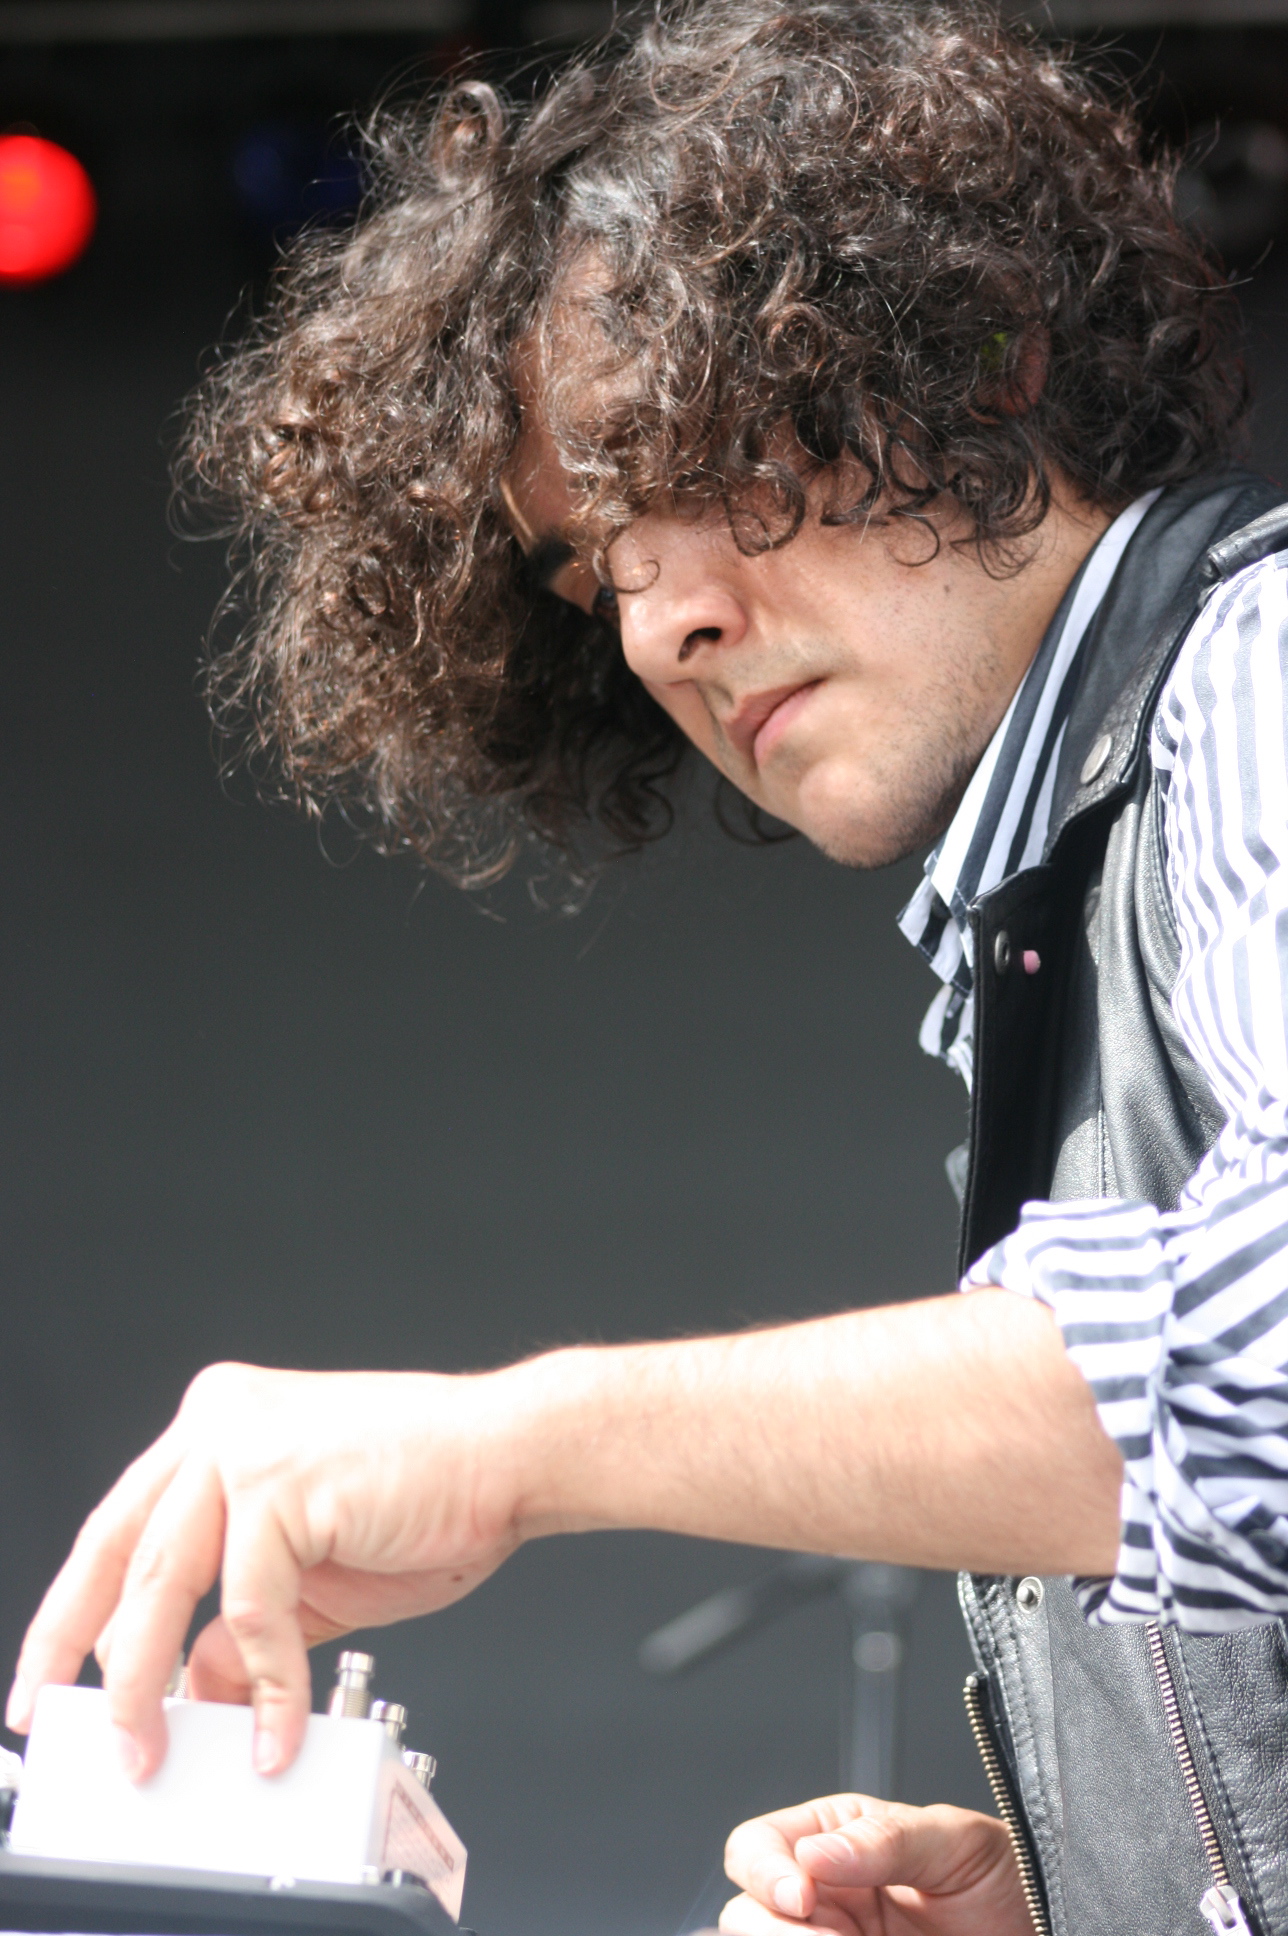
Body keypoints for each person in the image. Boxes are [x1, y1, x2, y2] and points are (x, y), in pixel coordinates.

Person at [10, 3, 1288, 1931]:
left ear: (976, 358)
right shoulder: (1060, 908)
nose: (668, 618)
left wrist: (507, 1444)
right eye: (594, 557)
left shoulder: (1259, 680)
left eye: (701, 460)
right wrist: (1072, 1890)